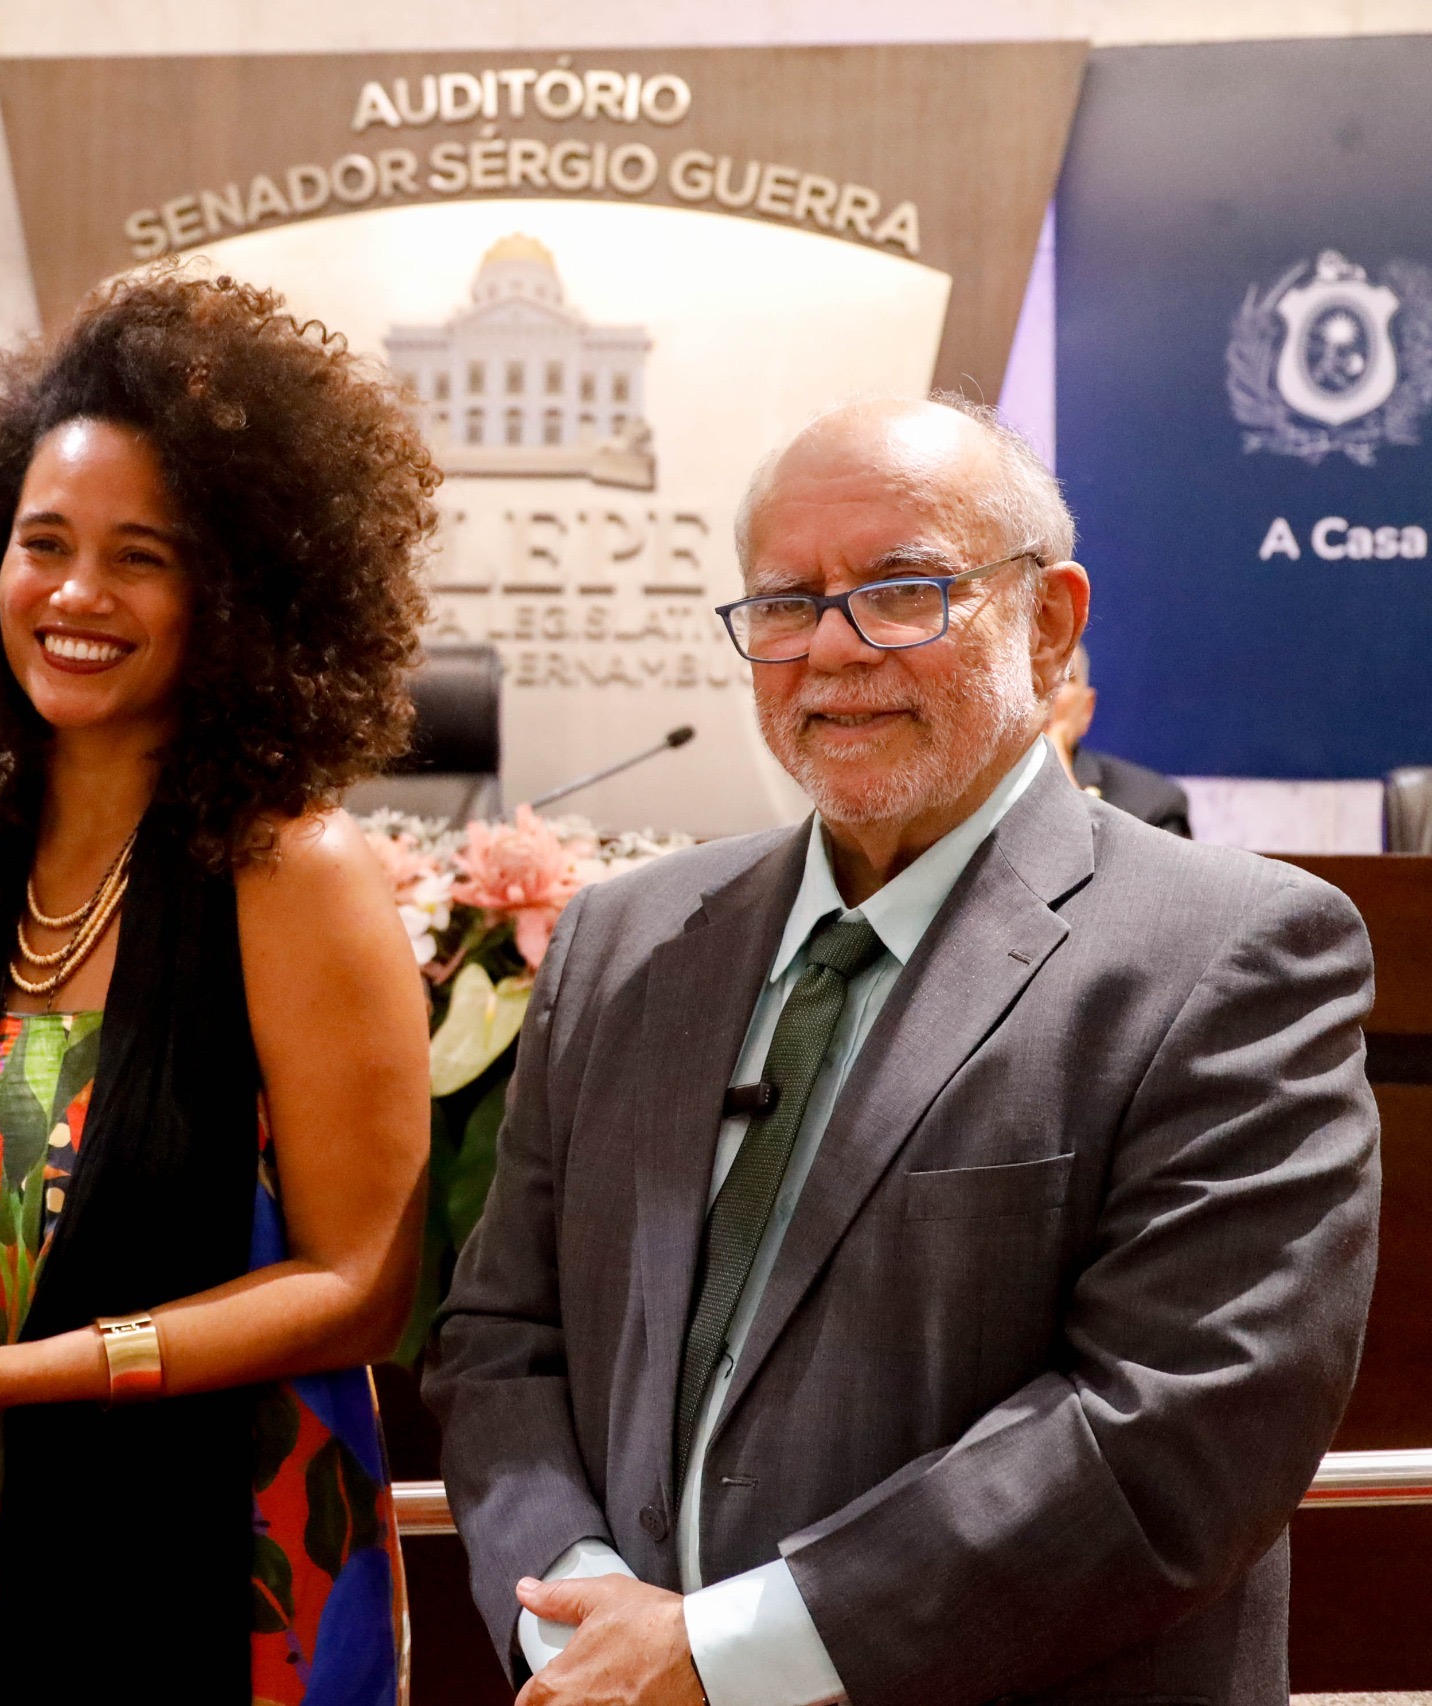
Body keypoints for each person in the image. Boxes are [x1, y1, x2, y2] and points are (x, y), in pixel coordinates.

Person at [426, 397, 1377, 1706]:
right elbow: (500, 1340)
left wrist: (718, 1655)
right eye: (784, 602)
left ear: (1049, 621)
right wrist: (577, 1622)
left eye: (903, 589)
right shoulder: (621, 942)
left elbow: (1170, 1431)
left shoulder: (1232, 954)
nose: (832, 649)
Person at [0, 271, 436, 1705]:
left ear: (238, 591)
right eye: (44, 543)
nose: (78, 594)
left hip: (220, 1545)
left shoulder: (294, 872)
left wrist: (30, 1371)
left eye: (143, 554)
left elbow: (358, 1288)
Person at [1045, 643, 1193, 835]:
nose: (1043, 687)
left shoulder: (1152, 805)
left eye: (1063, 675)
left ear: (1086, 710)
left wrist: (1054, 760)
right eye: (1029, 668)